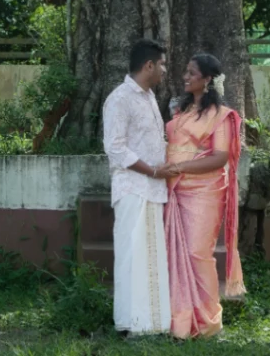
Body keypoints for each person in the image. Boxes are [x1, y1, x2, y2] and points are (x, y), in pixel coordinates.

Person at [163, 52, 245, 339]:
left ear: (207, 79)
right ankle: (181, 320)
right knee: (176, 254)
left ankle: (208, 322)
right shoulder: (181, 110)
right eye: (185, 71)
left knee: (198, 254)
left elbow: (220, 158)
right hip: (175, 190)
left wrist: (179, 166)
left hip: (205, 191)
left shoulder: (221, 116)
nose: (185, 77)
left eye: (191, 73)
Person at [102, 37, 174, 336]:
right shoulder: (120, 98)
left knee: (150, 256)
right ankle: (131, 324)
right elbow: (115, 149)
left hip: (152, 189)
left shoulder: (148, 97)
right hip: (133, 187)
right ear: (148, 65)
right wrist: (153, 170)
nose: (165, 71)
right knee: (133, 256)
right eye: (162, 65)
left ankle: (151, 323)